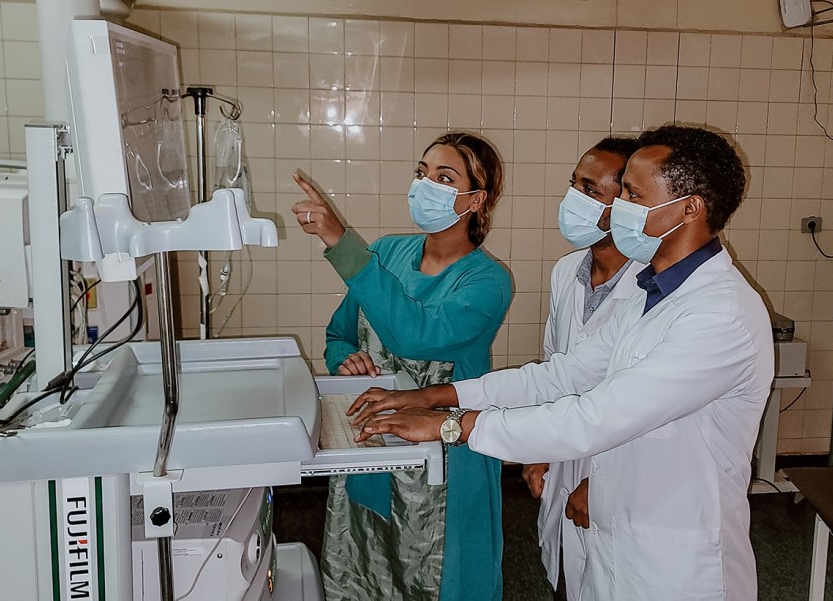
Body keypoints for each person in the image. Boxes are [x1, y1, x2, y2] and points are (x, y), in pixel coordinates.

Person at [350, 125, 774, 600]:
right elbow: (562, 375)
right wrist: (432, 396)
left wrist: (451, 427)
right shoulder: (648, 294)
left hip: (676, 558)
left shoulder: (721, 314)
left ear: (689, 208)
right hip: (617, 538)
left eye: (633, 194)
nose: (620, 209)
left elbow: (597, 418)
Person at [291, 131, 512, 601]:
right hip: (370, 448)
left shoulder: (488, 282)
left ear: (476, 199)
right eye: (422, 172)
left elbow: (414, 335)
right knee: (366, 569)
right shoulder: (389, 252)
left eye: (445, 177)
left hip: (446, 459)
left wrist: (340, 241)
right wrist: (344, 361)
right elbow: (339, 335)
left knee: (438, 579)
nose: (426, 184)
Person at [524, 136, 643, 601]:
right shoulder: (566, 272)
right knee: (567, 581)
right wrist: (540, 448)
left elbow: (650, 407)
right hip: (567, 460)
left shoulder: (651, 287)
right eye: (573, 185)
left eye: (590, 190)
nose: (572, 199)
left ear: (631, 204)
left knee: (609, 582)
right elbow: (555, 369)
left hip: (623, 476)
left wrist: (605, 483)